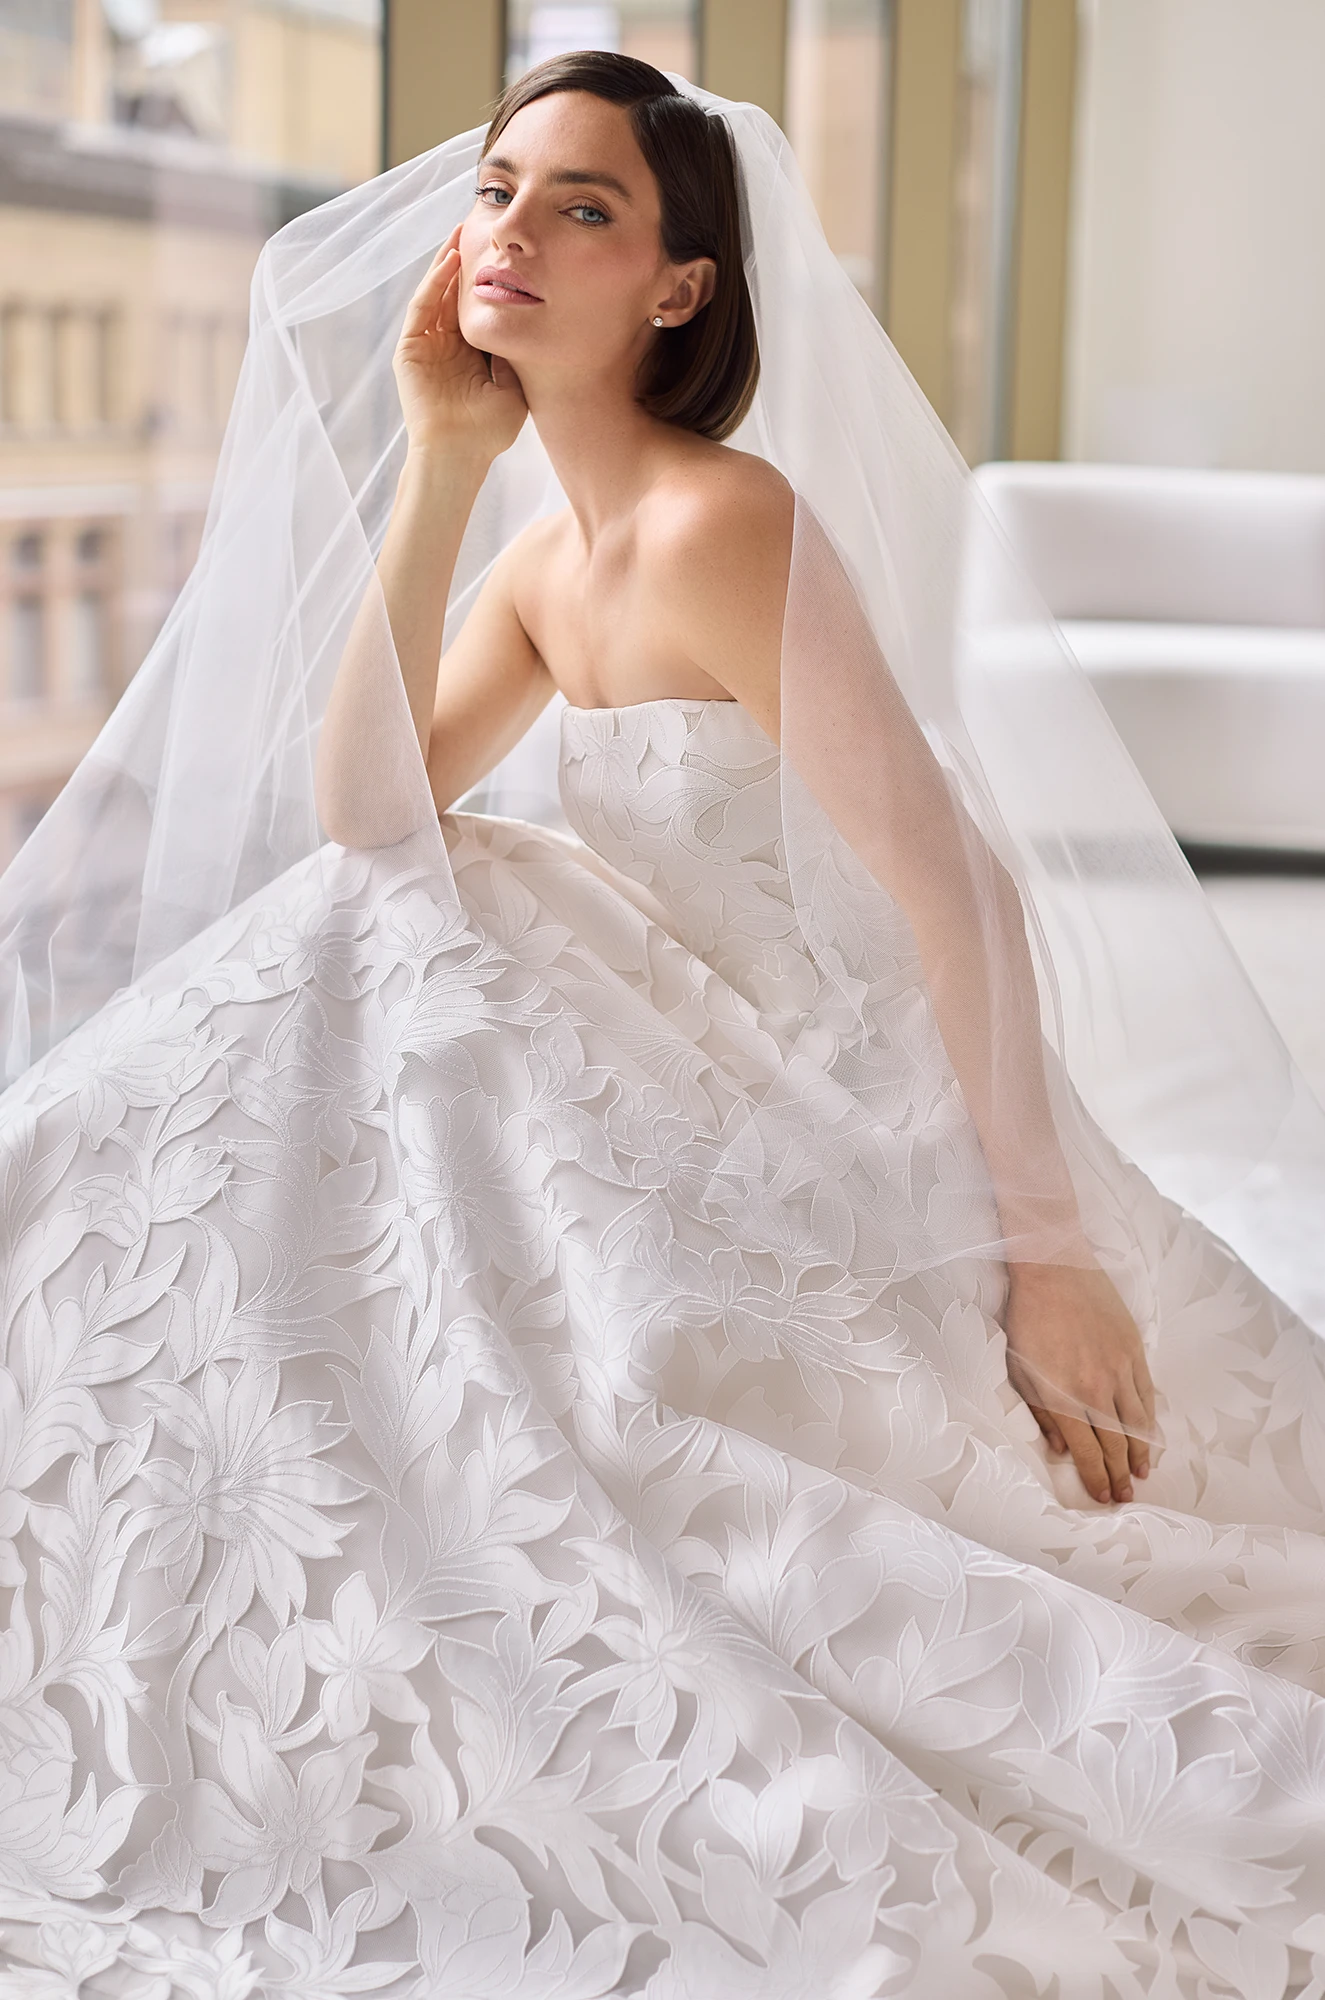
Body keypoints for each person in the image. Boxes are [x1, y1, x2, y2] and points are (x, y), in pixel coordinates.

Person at [1, 49, 1324, 1997]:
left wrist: (1041, 1249)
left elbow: (954, 887)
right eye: (495, 191)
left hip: (826, 1089)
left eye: (581, 206)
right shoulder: (548, 557)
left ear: (679, 289)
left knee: (439, 944)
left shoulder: (723, 522)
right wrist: (442, 459)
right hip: (672, 1047)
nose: (510, 232)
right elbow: (364, 809)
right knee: (390, 914)